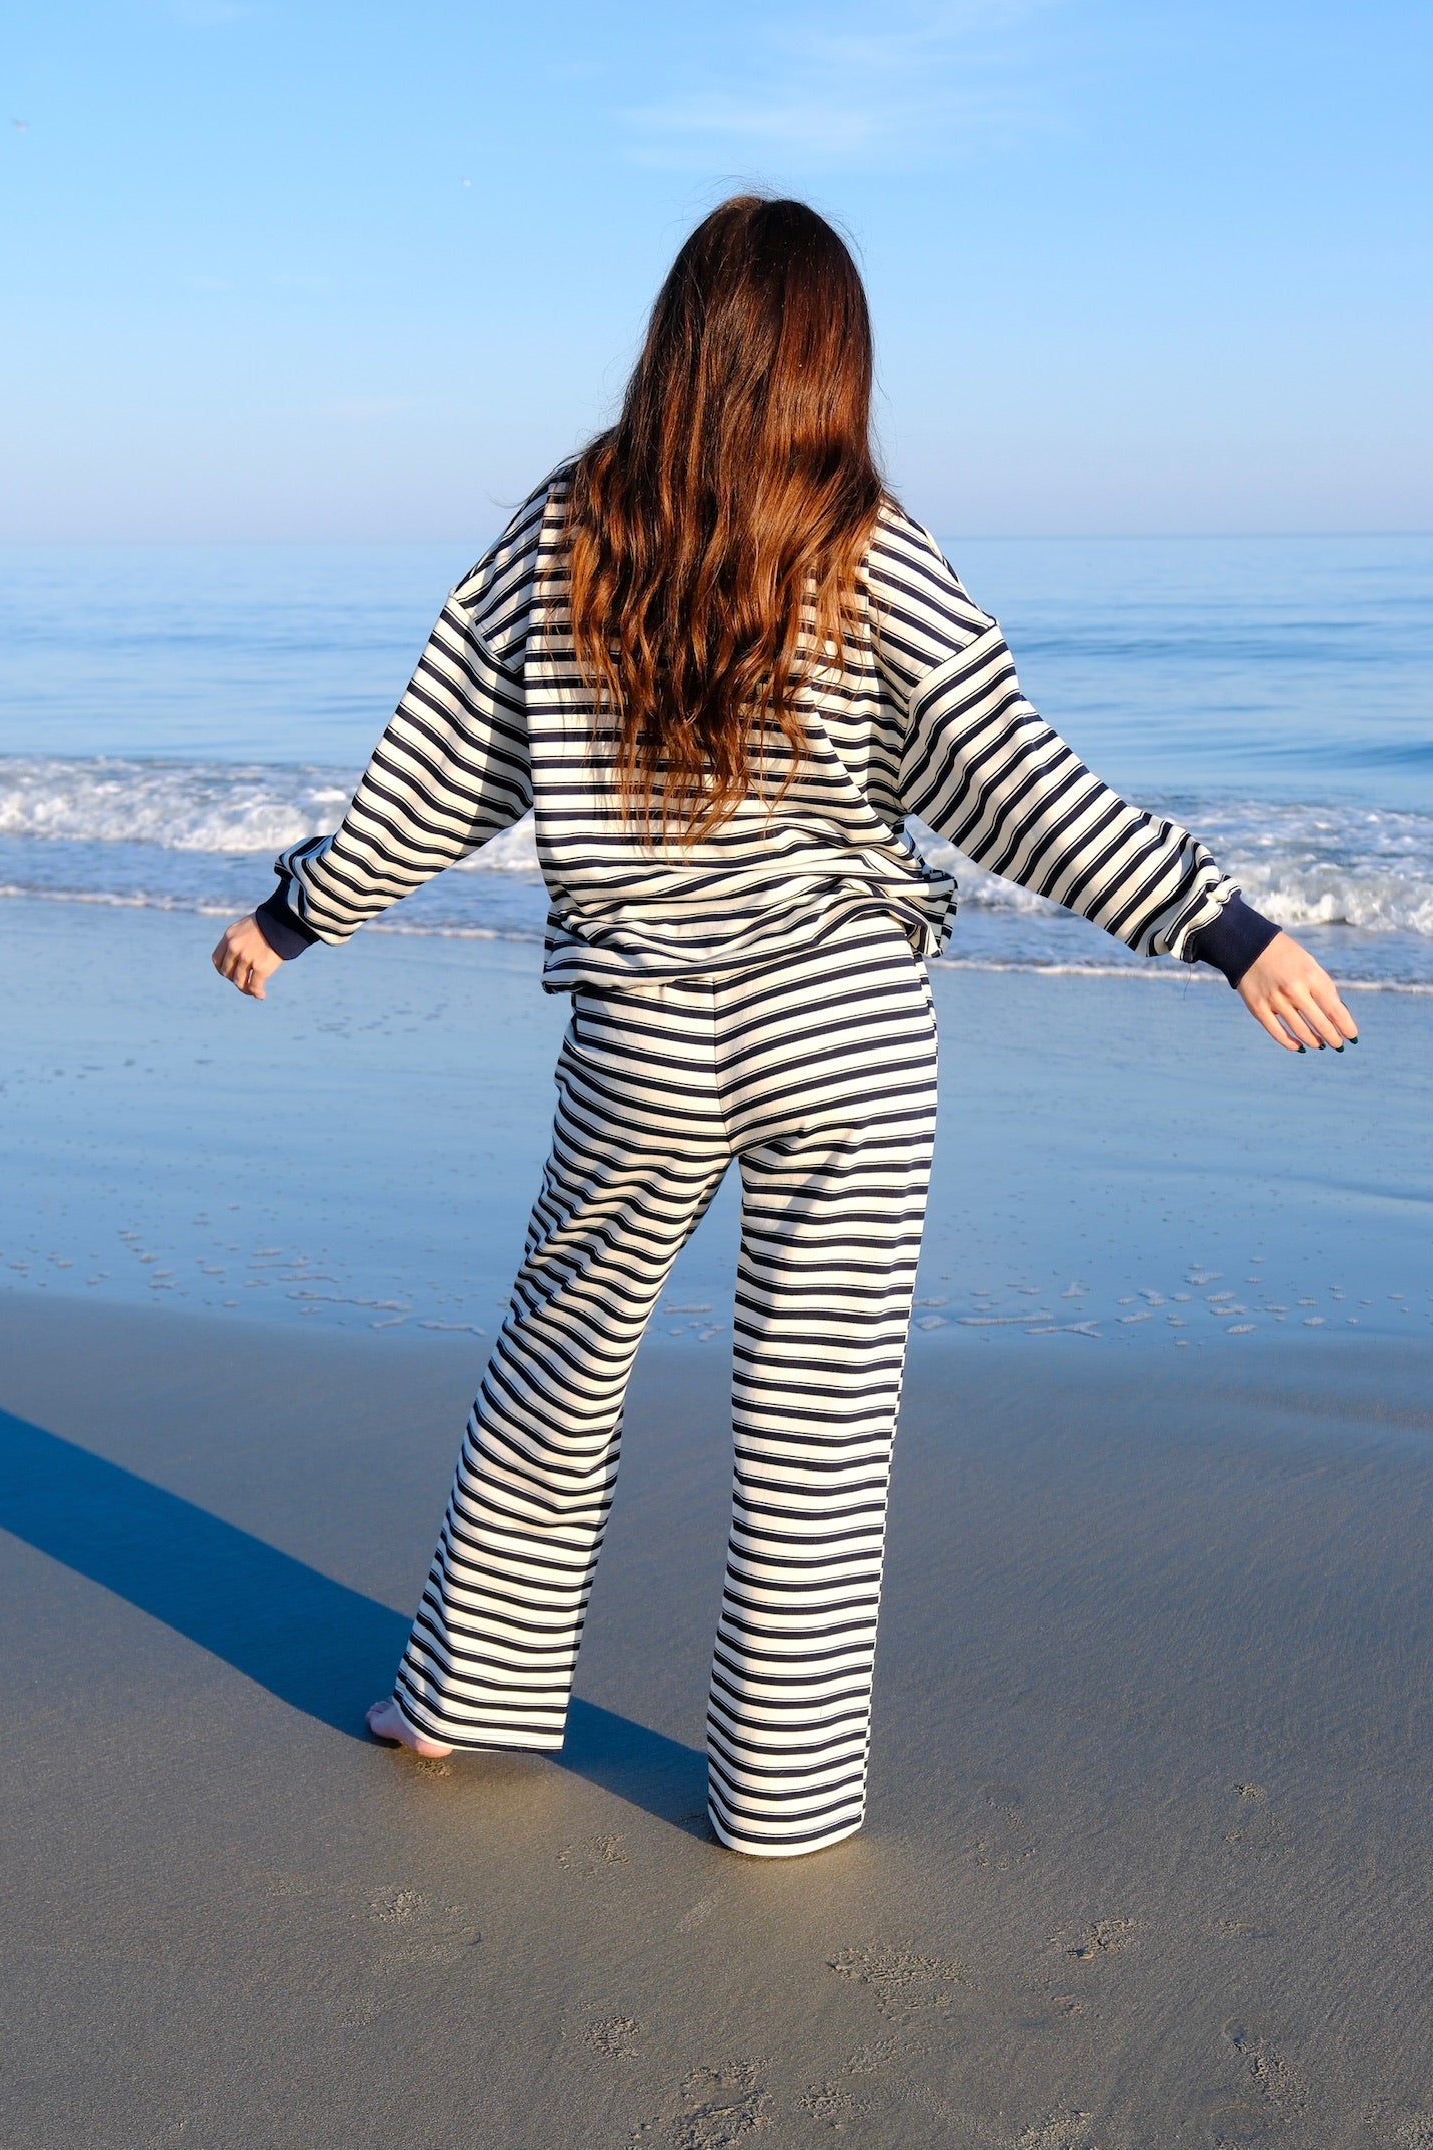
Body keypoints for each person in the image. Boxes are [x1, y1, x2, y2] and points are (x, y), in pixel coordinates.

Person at [211, 196, 1356, 1859]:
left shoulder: (566, 526)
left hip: (641, 1040)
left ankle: (466, 1698)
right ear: (835, 364)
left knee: (558, 1361)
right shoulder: (868, 540)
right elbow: (1012, 780)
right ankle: (781, 1801)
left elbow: (442, 767)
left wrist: (297, 911)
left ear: (679, 338)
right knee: (817, 1431)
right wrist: (1220, 924)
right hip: (847, 1034)